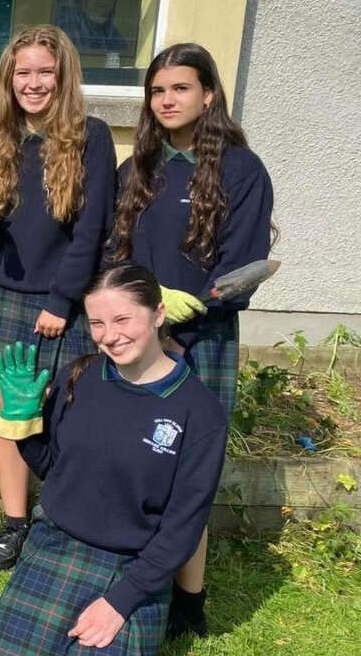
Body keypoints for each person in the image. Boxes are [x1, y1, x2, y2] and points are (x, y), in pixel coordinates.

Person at [108, 42, 274, 637]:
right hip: (134, 343)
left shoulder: (240, 170)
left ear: (208, 94)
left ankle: (189, 602)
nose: (167, 100)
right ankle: (131, 578)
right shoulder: (137, 170)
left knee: (187, 473)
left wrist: (185, 321)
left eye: (180, 88)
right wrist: (136, 323)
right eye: (157, 90)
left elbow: (243, 266)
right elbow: (115, 255)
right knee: (136, 462)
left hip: (200, 342)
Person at [0, 263, 227, 656]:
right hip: (53, 544)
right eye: (97, 323)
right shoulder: (78, 376)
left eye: (122, 319)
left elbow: (183, 527)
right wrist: (21, 424)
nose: (110, 337)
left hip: (134, 564)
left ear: (159, 314)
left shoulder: (200, 413)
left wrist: (120, 602)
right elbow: (53, 469)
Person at [0, 24, 116, 571]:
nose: (33, 84)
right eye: (22, 73)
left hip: (61, 303)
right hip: (1, 295)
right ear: (9, 81)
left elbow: (92, 230)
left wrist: (60, 300)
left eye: (44, 73)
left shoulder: (90, 137)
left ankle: (60, 520)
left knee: (59, 419)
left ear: (64, 77)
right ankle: (14, 525)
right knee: (10, 416)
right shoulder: (1, 141)